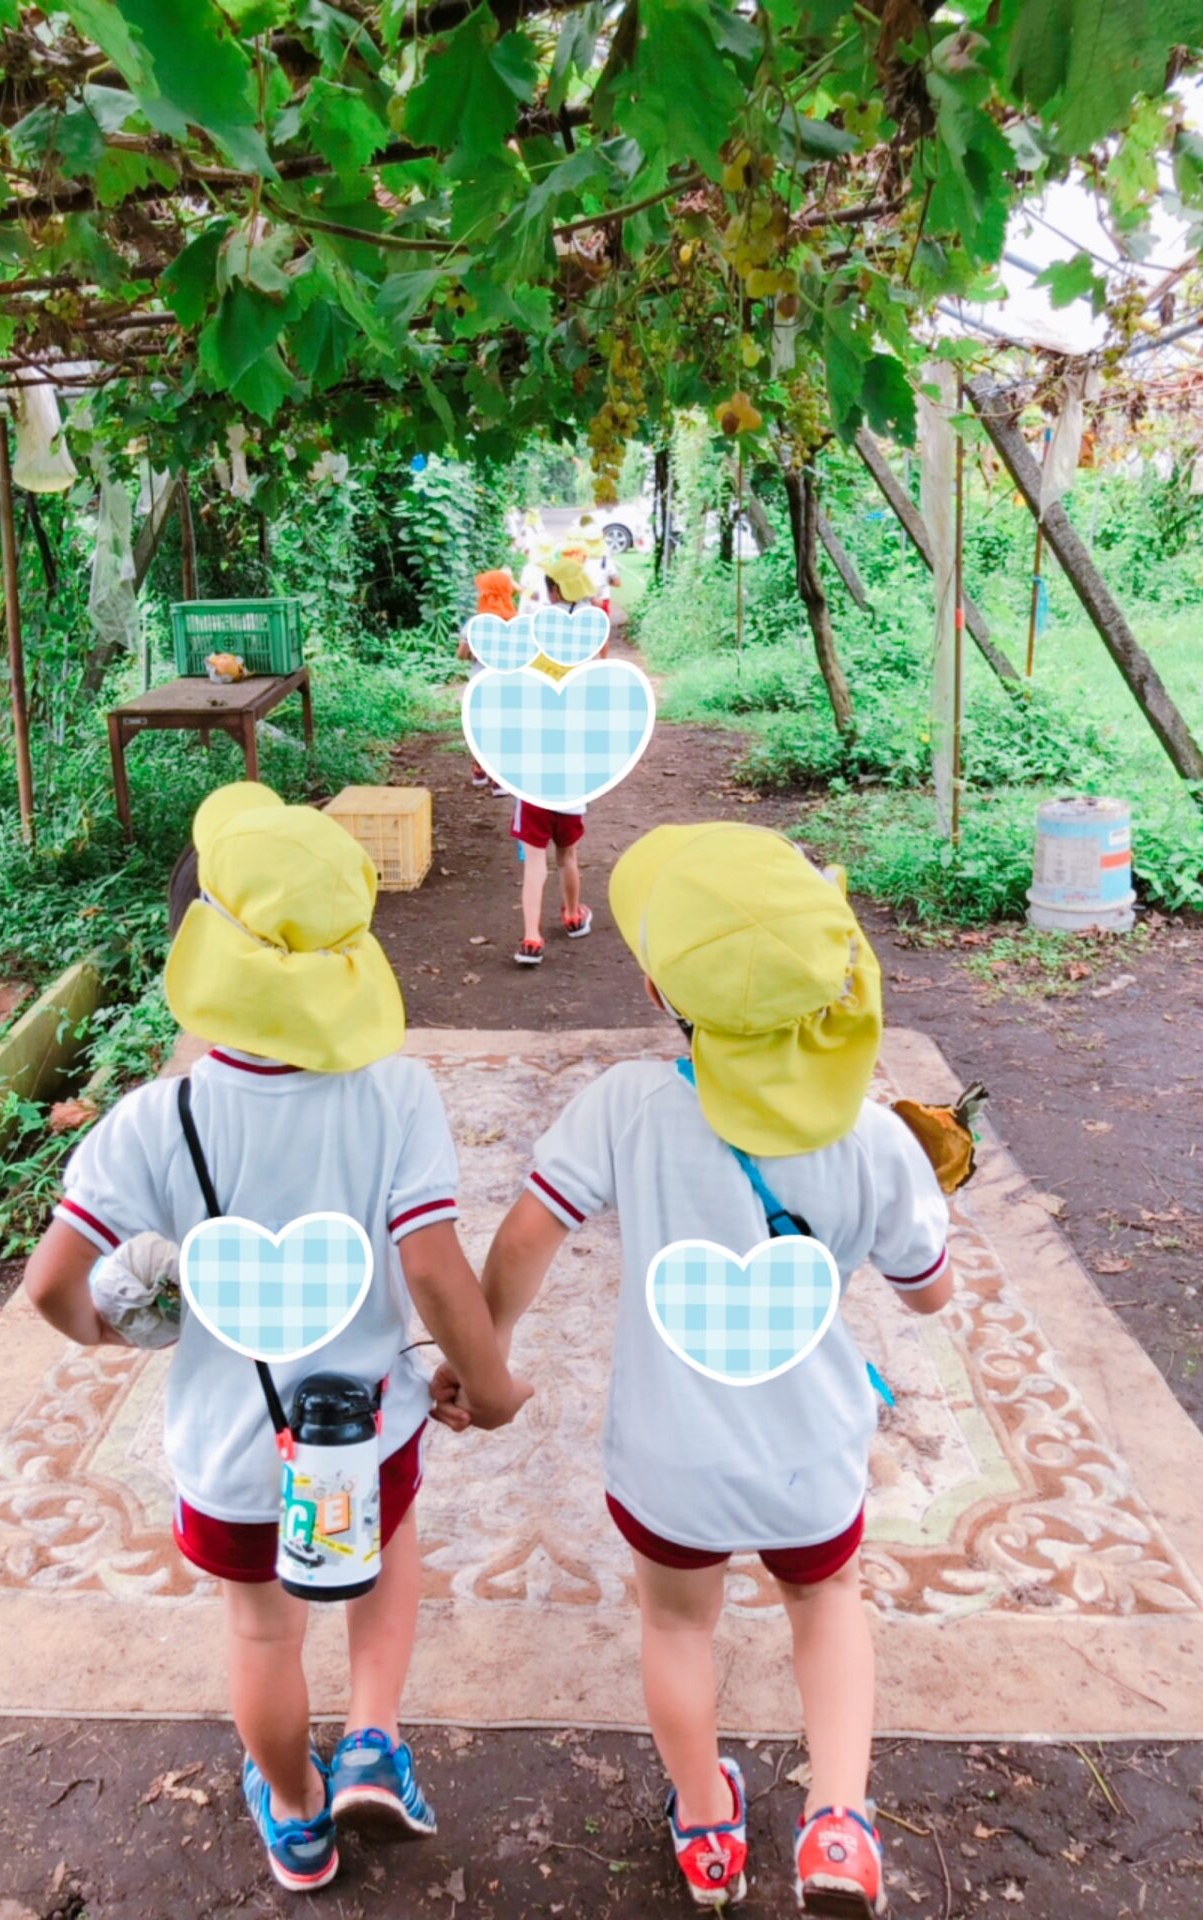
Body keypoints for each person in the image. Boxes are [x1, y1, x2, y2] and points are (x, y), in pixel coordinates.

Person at [25, 781, 531, 1896]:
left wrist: (106, 1330)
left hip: (232, 1449)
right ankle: (374, 1740)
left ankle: (298, 1816)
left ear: (197, 961)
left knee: (262, 1636)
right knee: (386, 1555)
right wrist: (488, 1380)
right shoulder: (394, 1094)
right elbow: (432, 1267)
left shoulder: (157, 1120)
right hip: (367, 1426)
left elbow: (52, 1285)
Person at [435, 824, 952, 1915]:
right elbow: (929, 1292)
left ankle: (708, 1829)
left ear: (660, 988)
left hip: (667, 1460)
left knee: (675, 1624)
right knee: (828, 1603)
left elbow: (527, 1237)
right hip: (811, 1454)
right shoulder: (876, 1138)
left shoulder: (627, 1104)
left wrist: (486, 1354)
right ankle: (839, 1826)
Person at [509, 556, 606, 966]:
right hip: (572, 773)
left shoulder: (533, 636)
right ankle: (572, 915)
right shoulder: (587, 642)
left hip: (532, 770)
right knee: (568, 854)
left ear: (551, 590)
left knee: (534, 860)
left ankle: (531, 937)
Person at [457, 568, 517, 793]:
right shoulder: (517, 622)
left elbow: (462, 654)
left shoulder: (474, 624)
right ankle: (499, 779)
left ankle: (479, 770)